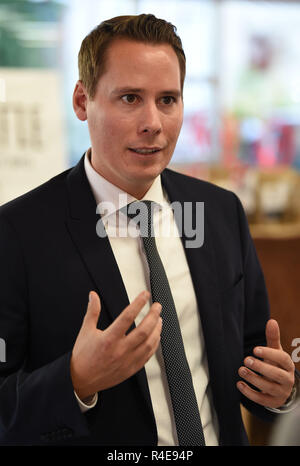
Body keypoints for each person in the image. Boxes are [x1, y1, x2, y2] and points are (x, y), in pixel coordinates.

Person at [0, 14, 297, 446]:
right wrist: (76, 381)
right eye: (129, 98)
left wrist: (281, 392)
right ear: (83, 101)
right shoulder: (17, 235)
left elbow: (250, 361)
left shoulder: (219, 212)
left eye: (168, 100)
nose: (153, 122)